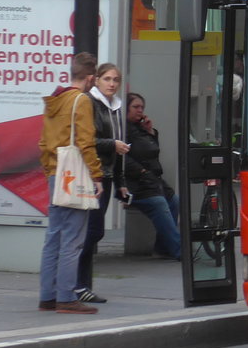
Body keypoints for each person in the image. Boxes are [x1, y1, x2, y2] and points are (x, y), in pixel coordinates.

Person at [38, 52, 103, 315]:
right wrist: (96, 175)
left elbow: (43, 142)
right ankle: (66, 297)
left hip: (55, 172)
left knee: (54, 236)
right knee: (73, 238)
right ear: (89, 78)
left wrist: (49, 169)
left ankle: (47, 296)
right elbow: (86, 142)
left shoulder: (55, 99)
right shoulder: (81, 101)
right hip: (73, 174)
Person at [74, 62, 130, 304]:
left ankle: (79, 284)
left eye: (115, 80)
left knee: (92, 232)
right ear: (96, 80)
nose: (111, 83)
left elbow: (118, 147)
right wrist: (112, 145)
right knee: (90, 231)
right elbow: (88, 139)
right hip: (90, 174)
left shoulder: (115, 107)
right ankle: (78, 285)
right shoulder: (91, 103)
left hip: (106, 175)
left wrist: (121, 182)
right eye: (107, 78)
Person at [123, 92, 181, 259]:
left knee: (174, 201)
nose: (139, 110)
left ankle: (163, 247)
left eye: (142, 107)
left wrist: (149, 132)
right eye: (135, 107)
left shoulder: (141, 129)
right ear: (126, 109)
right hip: (136, 182)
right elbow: (123, 158)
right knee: (159, 203)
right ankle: (177, 249)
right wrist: (141, 171)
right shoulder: (123, 130)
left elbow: (153, 151)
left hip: (153, 179)